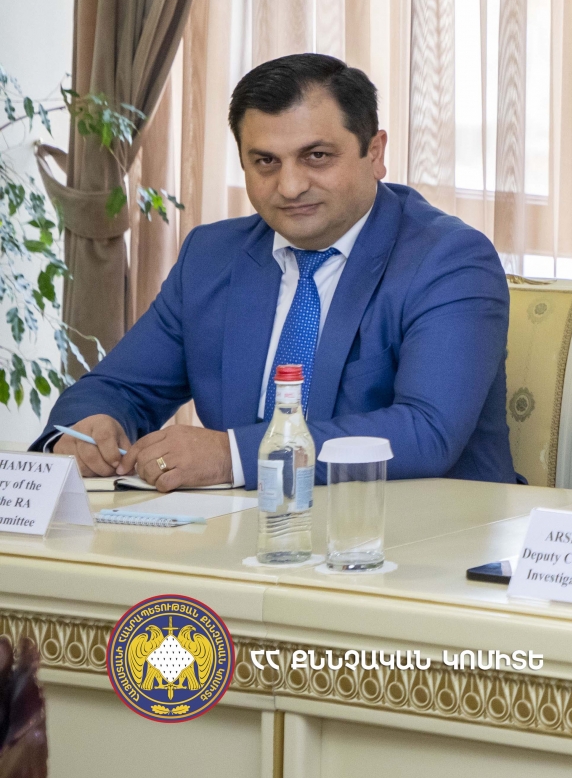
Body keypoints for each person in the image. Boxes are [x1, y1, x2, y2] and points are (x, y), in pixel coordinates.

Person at [37, 54, 517, 489]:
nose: (290, 186)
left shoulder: (449, 259)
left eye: (316, 156)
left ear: (374, 153)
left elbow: (427, 431)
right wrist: (90, 427)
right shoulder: (212, 256)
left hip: (420, 536)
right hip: (240, 532)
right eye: (265, 162)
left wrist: (234, 456)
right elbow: (117, 388)